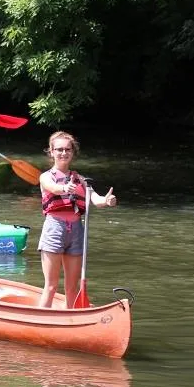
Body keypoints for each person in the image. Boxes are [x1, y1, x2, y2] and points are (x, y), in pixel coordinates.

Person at [38, 131, 118, 308]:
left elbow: (95, 200)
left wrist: (106, 201)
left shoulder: (80, 179)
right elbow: (54, 188)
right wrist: (65, 187)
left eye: (68, 149)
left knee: (72, 288)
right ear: (51, 152)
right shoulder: (46, 177)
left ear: (73, 152)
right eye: (59, 149)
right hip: (54, 229)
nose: (64, 153)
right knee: (51, 286)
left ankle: (70, 323)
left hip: (76, 231)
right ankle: (41, 322)